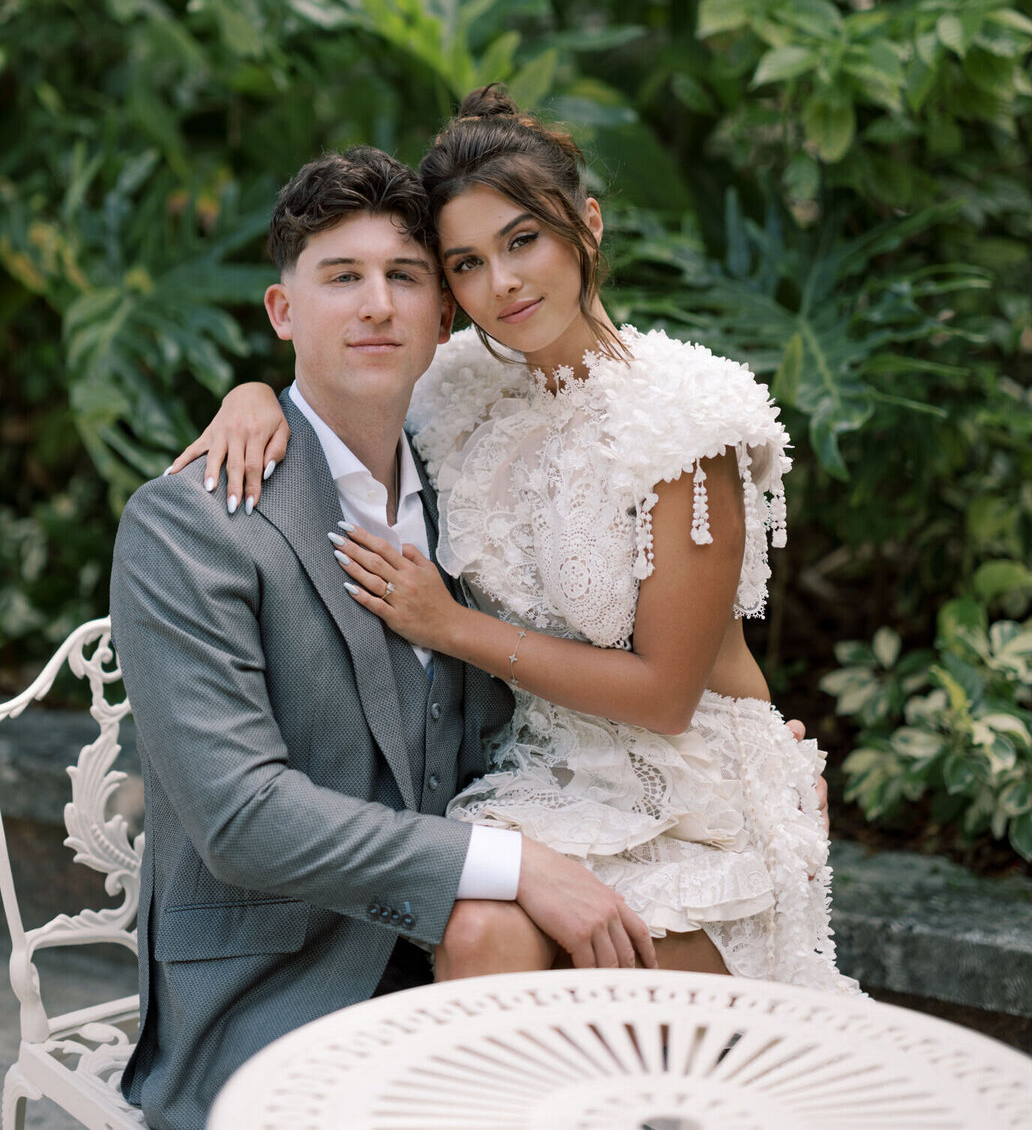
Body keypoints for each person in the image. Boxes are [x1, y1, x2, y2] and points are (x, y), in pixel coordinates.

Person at [174, 87, 857, 993]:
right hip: (544, 780)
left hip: (697, 793)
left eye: (522, 241)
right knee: (482, 935)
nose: (502, 283)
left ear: (589, 226)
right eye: (465, 262)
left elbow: (664, 696)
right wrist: (252, 398)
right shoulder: (459, 394)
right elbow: (342, 379)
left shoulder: (684, 426)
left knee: (575, 992)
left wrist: (448, 626)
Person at [110, 145, 656, 1130]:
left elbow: (558, 683)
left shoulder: (473, 487)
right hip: (273, 991)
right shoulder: (191, 522)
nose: (377, 305)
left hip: (469, 958)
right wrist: (513, 864)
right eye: (342, 277)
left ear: (442, 318)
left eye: (405, 277)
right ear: (284, 314)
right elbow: (242, 816)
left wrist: (739, 744)